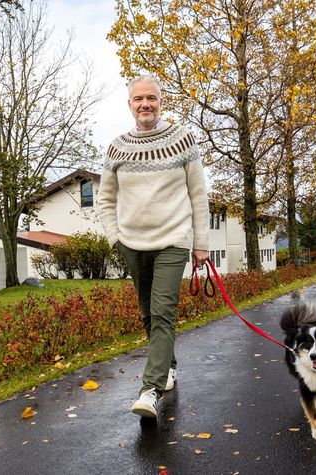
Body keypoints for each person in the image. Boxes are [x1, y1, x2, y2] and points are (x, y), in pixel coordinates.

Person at [97, 75, 210, 418]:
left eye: (152, 98)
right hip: (132, 243)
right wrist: (114, 236)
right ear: (129, 104)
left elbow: (198, 194)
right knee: (148, 312)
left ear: (161, 101)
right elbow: (105, 198)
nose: (145, 104)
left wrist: (201, 243)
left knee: (163, 311)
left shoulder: (183, 139)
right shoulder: (117, 147)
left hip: (173, 240)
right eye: (138, 99)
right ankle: (169, 367)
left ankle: (150, 389)